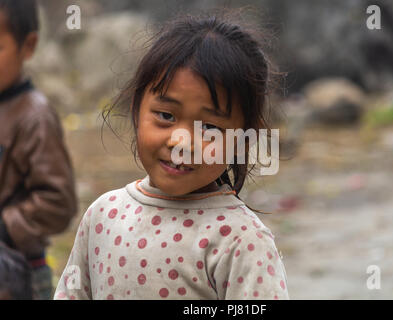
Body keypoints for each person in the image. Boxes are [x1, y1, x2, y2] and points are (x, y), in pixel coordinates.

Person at [54, 9, 288, 300]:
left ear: (243, 138)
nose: (182, 142)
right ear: (136, 108)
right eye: (165, 115)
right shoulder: (102, 216)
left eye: (210, 127)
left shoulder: (241, 240)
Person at [0, 0, 77, 299]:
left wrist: (6, 227)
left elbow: (58, 201)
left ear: (28, 45)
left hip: (19, 275)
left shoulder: (35, 116)